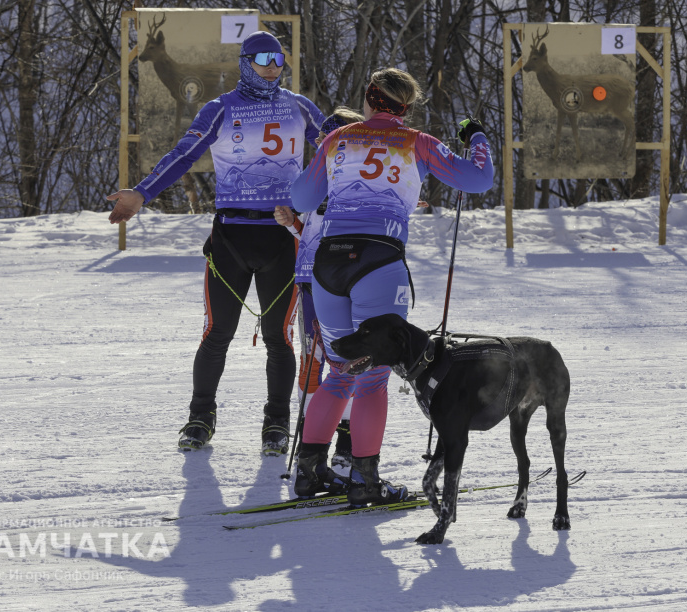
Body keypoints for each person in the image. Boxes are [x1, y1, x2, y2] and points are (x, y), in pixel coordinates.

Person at [107, 31, 325, 456]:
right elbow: (184, 154)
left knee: (279, 336)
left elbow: (344, 146)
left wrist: (386, 183)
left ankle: (276, 423)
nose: (273, 66)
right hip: (231, 236)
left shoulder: (299, 106)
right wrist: (142, 193)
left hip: (284, 235)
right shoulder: (221, 108)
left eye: (279, 58)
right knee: (217, 332)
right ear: (245, 61)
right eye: (263, 58)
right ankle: (200, 417)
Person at [288, 68, 494, 504]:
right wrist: (475, 136)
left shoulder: (338, 138)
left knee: (339, 371)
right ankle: (365, 482)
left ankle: (308, 473)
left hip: (329, 260)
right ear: (406, 107)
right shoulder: (417, 142)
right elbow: (479, 179)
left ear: (368, 100)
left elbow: (301, 199)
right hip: (378, 261)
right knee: (372, 376)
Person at [274, 107, 365, 476]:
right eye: (322, 141)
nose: (323, 147)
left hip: (344, 281)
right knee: (311, 360)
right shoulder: (316, 178)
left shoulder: (363, 177)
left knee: (347, 361)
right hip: (309, 279)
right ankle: (312, 447)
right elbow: (310, 231)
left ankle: (346, 443)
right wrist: (292, 224)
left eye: (330, 140)